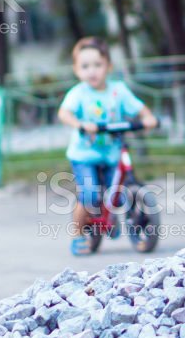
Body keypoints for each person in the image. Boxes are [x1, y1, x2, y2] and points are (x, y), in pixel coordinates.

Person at [57, 36, 157, 255]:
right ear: (76, 70)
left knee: (122, 192)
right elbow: (64, 113)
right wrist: (80, 123)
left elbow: (139, 108)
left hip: (112, 153)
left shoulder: (118, 90)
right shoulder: (79, 93)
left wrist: (148, 118)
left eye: (97, 65)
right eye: (85, 66)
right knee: (90, 194)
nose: (92, 71)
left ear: (108, 66)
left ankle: (123, 218)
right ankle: (77, 233)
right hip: (85, 155)